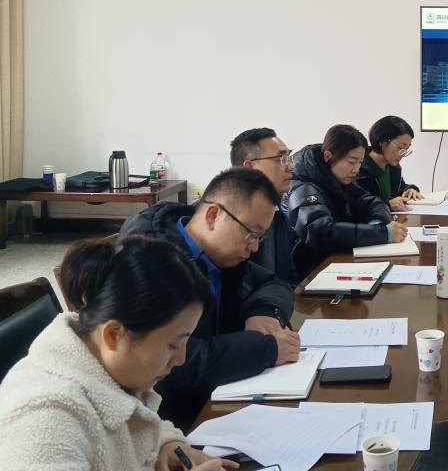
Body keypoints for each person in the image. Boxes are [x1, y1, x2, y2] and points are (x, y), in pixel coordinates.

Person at [0, 236, 237, 470]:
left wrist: (166, 443)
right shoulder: (45, 420)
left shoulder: (104, 361)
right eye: (173, 345)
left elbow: (131, 416)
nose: (181, 359)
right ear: (114, 335)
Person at [121, 167, 300, 428]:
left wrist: (263, 312)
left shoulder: (220, 254)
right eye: (251, 234)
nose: (254, 247)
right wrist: (266, 350)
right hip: (171, 417)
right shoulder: (152, 261)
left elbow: (274, 283)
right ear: (213, 215)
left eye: (260, 237)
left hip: (219, 392)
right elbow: (171, 364)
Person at [285, 124, 409, 277]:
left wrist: (376, 223)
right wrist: (383, 234)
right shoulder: (303, 186)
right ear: (328, 156)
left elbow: (370, 201)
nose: (356, 169)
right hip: (310, 271)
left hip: (336, 259)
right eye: (351, 162)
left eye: (360, 162)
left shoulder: (338, 177)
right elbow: (320, 232)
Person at [230, 127, 299, 286]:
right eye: (280, 159)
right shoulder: (228, 220)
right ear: (250, 167)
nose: (290, 167)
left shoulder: (278, 214)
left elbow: (289, 277)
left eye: (289, 158)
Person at [355, 115, 424, 213]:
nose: (403, 154)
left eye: (407, 149)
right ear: (382, 142)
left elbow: (399, 189)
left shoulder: (394, 168)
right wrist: (387, 205)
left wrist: (410, 190)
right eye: (400, 147)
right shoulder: (359, 169)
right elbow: (358, 206)